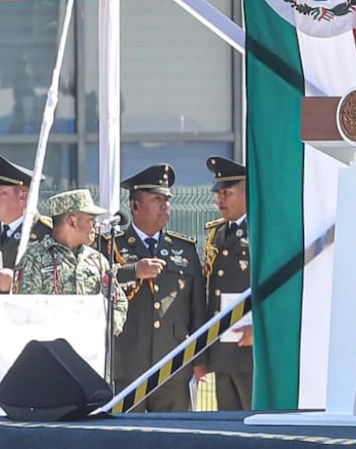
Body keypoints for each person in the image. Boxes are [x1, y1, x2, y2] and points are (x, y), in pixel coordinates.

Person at [101, 163, 207, 412]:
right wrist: (132, 271)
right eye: (156, 199)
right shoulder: (111, 247)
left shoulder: (185, 249)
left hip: (173, 364)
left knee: (173, 437)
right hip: (127, 363)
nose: (165, 206)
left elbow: (197, 309)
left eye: (167, 200)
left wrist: (200, 359)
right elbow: (98, 285)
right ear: (135, 205)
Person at [14, 189, 127, 336]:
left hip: (91, 351)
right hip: (50, 349)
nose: (95, 226)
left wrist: (105, 328)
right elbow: (24, 309)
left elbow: (118, 302)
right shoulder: (34, 258)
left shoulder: (96, 259)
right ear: (72, 221)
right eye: (90, 220)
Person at [200, 156, 253, 410]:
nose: (219, 199)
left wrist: (261, 331)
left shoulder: (260, 231)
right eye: (218, 193)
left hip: (249, 348)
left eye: (227, 193)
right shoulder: (217, 234)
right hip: (222, 347)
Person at [0, 153, 53, 292]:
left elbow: (57, 283)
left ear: (23, 197)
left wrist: (16, 283)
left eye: (0, 191)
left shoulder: (46, 234)